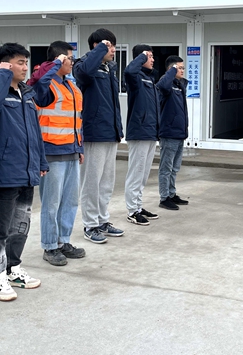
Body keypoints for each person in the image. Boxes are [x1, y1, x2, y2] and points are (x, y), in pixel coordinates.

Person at [0, 43, 48, 301]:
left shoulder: (26, 93)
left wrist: (41, 162)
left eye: (25, 62)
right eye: (19, 62)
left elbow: (35, 132)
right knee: (0, 229)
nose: (25, 67)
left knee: (20, 225)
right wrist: (3, 75)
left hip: (26, 171)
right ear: (4, 65)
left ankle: (13, 268)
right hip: (3, 172)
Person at [28, 41, 86, 266]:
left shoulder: (71, 85)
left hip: (71, 151)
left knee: (70, 202)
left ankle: (63, 241)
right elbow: (38, 82)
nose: (72, 62)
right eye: (68, 58)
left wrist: (79, 148)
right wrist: (53, 65)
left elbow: (77, 120)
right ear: (57, 60)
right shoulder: (46, 84)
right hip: (51, 152)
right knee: (51, 204)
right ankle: (50, 245)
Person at [72, 28, 125, 244]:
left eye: (113, 45)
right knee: (91, 182)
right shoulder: (83, 65)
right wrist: (101, 49)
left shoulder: (109, 69)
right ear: (96, 46)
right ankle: (90, 224)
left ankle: (103, 220)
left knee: (106, 182)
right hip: (94, 132)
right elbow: (84, 73)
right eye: (109, 46)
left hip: (110, 132)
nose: (113, 50)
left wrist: (118, 130)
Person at [123, 45, 178, 224]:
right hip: (139, 132)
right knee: (136, 173)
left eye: (153, 56)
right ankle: (132, 211)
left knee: (143, 174)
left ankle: (138, 206)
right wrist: (141, 57)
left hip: (150, 132)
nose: (153, 60)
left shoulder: (149, 79)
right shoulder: (135, 77)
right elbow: (129, 71)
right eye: (150, 56)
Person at [157, 55, 190, 210]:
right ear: (171, 69)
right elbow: (162, 85)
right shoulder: (166, 85)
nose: (183, 70)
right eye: (179, 68)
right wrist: (170, 72)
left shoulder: (179, 85)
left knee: (174, 168)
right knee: (166, 168)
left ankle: (171, 193)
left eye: (183, 68)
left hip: (179, 133)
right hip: (169, 133)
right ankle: (164, 198)